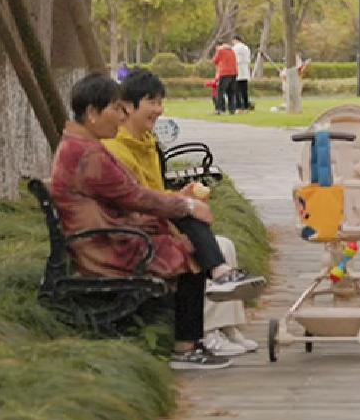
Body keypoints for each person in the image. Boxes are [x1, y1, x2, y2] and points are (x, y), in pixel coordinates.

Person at [49, 73, 235, 370]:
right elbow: (135, 196)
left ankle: (205, 319)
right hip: (105, 247)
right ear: (93, 113)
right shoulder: (89, 155)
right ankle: (186, 347)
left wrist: (180, 206)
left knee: (186, 235)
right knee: (189, 252)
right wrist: (186, 205)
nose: (121, 117)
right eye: (115, 109)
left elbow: (132, 195)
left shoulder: (80, 145)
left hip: (103, 237)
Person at [104, 72, 266, 355]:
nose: (159, 109)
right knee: (201, 247)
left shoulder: (146, 141)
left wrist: (180, 196)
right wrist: (182, 203)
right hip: (138, 228)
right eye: (152, 102)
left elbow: (155, 193)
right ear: (128, 106)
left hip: (157, 218)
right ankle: (206, 330)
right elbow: (139, 199)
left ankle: (224, 327)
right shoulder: (116, 149)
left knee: (223, 245)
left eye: (161, 102)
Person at [211, 40, 240, 115]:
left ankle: (219, 109)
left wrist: (217, 52)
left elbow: (215, 61)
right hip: (233, 73)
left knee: (220, 92)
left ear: (218, 46)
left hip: (225, 73)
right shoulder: (232, 51)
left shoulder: (220, 51)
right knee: (231, 92)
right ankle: (232, 109)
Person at [229, 35, 257, 111]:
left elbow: (233, 58)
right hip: (245, 71)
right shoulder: (246, 47)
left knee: (237, 90)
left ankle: (238, 106)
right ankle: (246, 106)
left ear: (235, 40)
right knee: (244, 90)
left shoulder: (235, 48)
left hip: (238, 70)